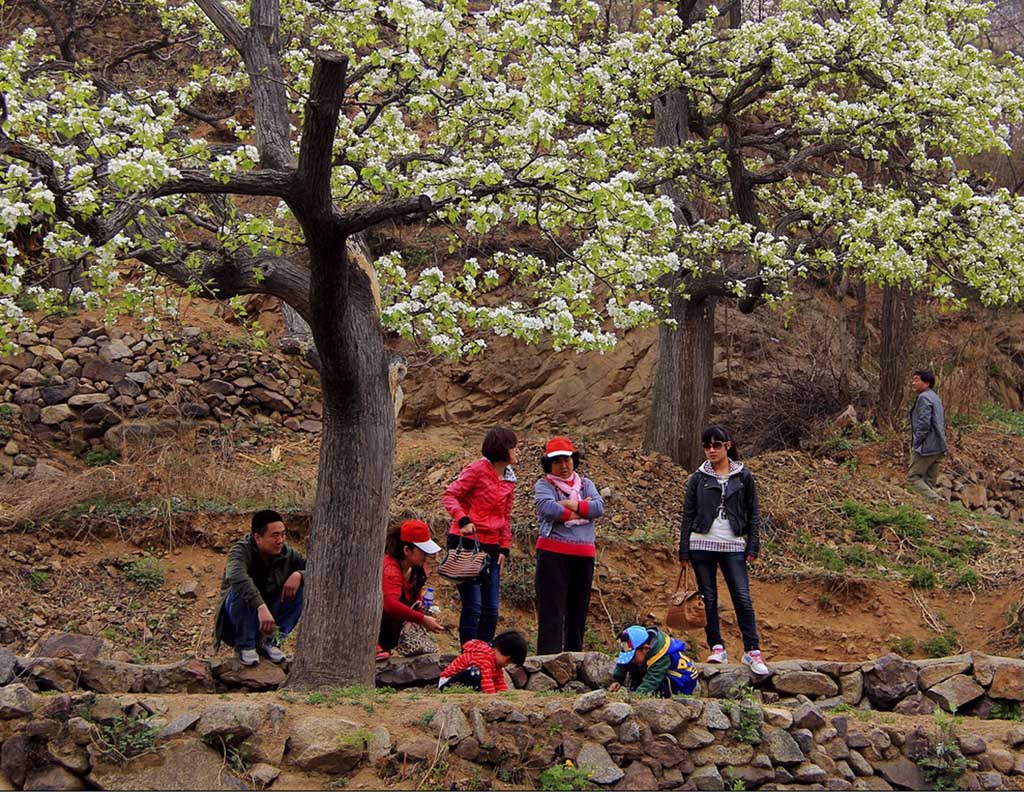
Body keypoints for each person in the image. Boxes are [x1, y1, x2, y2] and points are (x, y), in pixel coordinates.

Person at [679, 425, 769, 676]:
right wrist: (683, 551)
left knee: (742, 596)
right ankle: (717, 647)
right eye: (707, 446)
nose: (711, 450)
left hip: (733, 545)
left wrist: (753, 545)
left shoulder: (743, 477)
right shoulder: (697, 478)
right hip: (701, 545)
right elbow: (687, 514)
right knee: (708, 597)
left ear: (727, 445)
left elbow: (753, 513)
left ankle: (752, 650)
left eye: (716, 445)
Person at [442, 427, 518, 645]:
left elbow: (506, 515)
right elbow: (450, 495)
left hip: (492, 547)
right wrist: (463, 519)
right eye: (514, 447)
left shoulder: (510, 479)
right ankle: (468, 656)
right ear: (502, 449)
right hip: (467, 542)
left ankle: (483, 654)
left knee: (491, 609)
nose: (518, 451)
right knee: (473, 605)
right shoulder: (476, 469)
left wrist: (505, 547)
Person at [534, 436, 605, 654]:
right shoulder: (544, 484)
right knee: (552, 607)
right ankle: (548, 657)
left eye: (567, 460)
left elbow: (599, 507)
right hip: (553, 553)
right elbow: (547, 508)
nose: (563, 466)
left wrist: (569, 504)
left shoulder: (586, 484)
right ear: (549, 465)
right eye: (557, 462)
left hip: (584, 554)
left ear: (574, 460)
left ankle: (574, 655)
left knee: (578, 608)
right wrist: (581, 508)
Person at [214, 509, 305, 666]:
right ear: (257, 537)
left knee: (302, 589)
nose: (280, 540)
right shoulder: (240, 550)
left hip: (269, 621)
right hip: (237, 622)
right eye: (275, 535)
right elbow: (236, 576)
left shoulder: (288, 554)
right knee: (241, 587)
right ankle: (245, 646)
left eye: (283, 534)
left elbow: (317, 569)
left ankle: (271, 642)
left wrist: (299, 574)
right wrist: (260, 606)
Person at [378, 519, 445, 661]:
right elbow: (390, 604)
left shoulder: (417, 569)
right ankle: (375, 644)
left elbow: (416, 593)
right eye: (422, 552)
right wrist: (422, 619)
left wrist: (419, 605)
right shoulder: (390, 569)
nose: (426, 556)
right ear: (407, 550)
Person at [608, 625, 699, 697]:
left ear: (646, 649)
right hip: (657, 669)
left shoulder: (662, 657)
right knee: (635, 665)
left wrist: (637, 696)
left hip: (681, 679)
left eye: (632, 657)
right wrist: (617, 680)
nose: (631, 660)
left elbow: (652, 680)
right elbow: (623, 664)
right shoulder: (638, 646)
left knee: (657, 684)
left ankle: (664, 695)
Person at [438, 630, 528, 693]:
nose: (506, 664)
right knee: (476, 672)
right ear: (499, 649)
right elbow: (486, 679)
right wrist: (491, 696)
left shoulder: (495, 663)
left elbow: (499, 681)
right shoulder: (483, 658)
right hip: (447, 683)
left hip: (462, 683)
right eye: (508, 661)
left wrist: (503, 694)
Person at [908, 369, 948, 502]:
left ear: (926, 383)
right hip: (939, 445)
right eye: (913, 379)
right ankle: (931, 509)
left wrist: (917, 442)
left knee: (913, 478)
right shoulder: (935, 397)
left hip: (927, 446)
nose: (913, 383)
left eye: (916, 380)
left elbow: (924, 423)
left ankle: (937, 501)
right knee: (928, 482)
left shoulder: (924, 397)